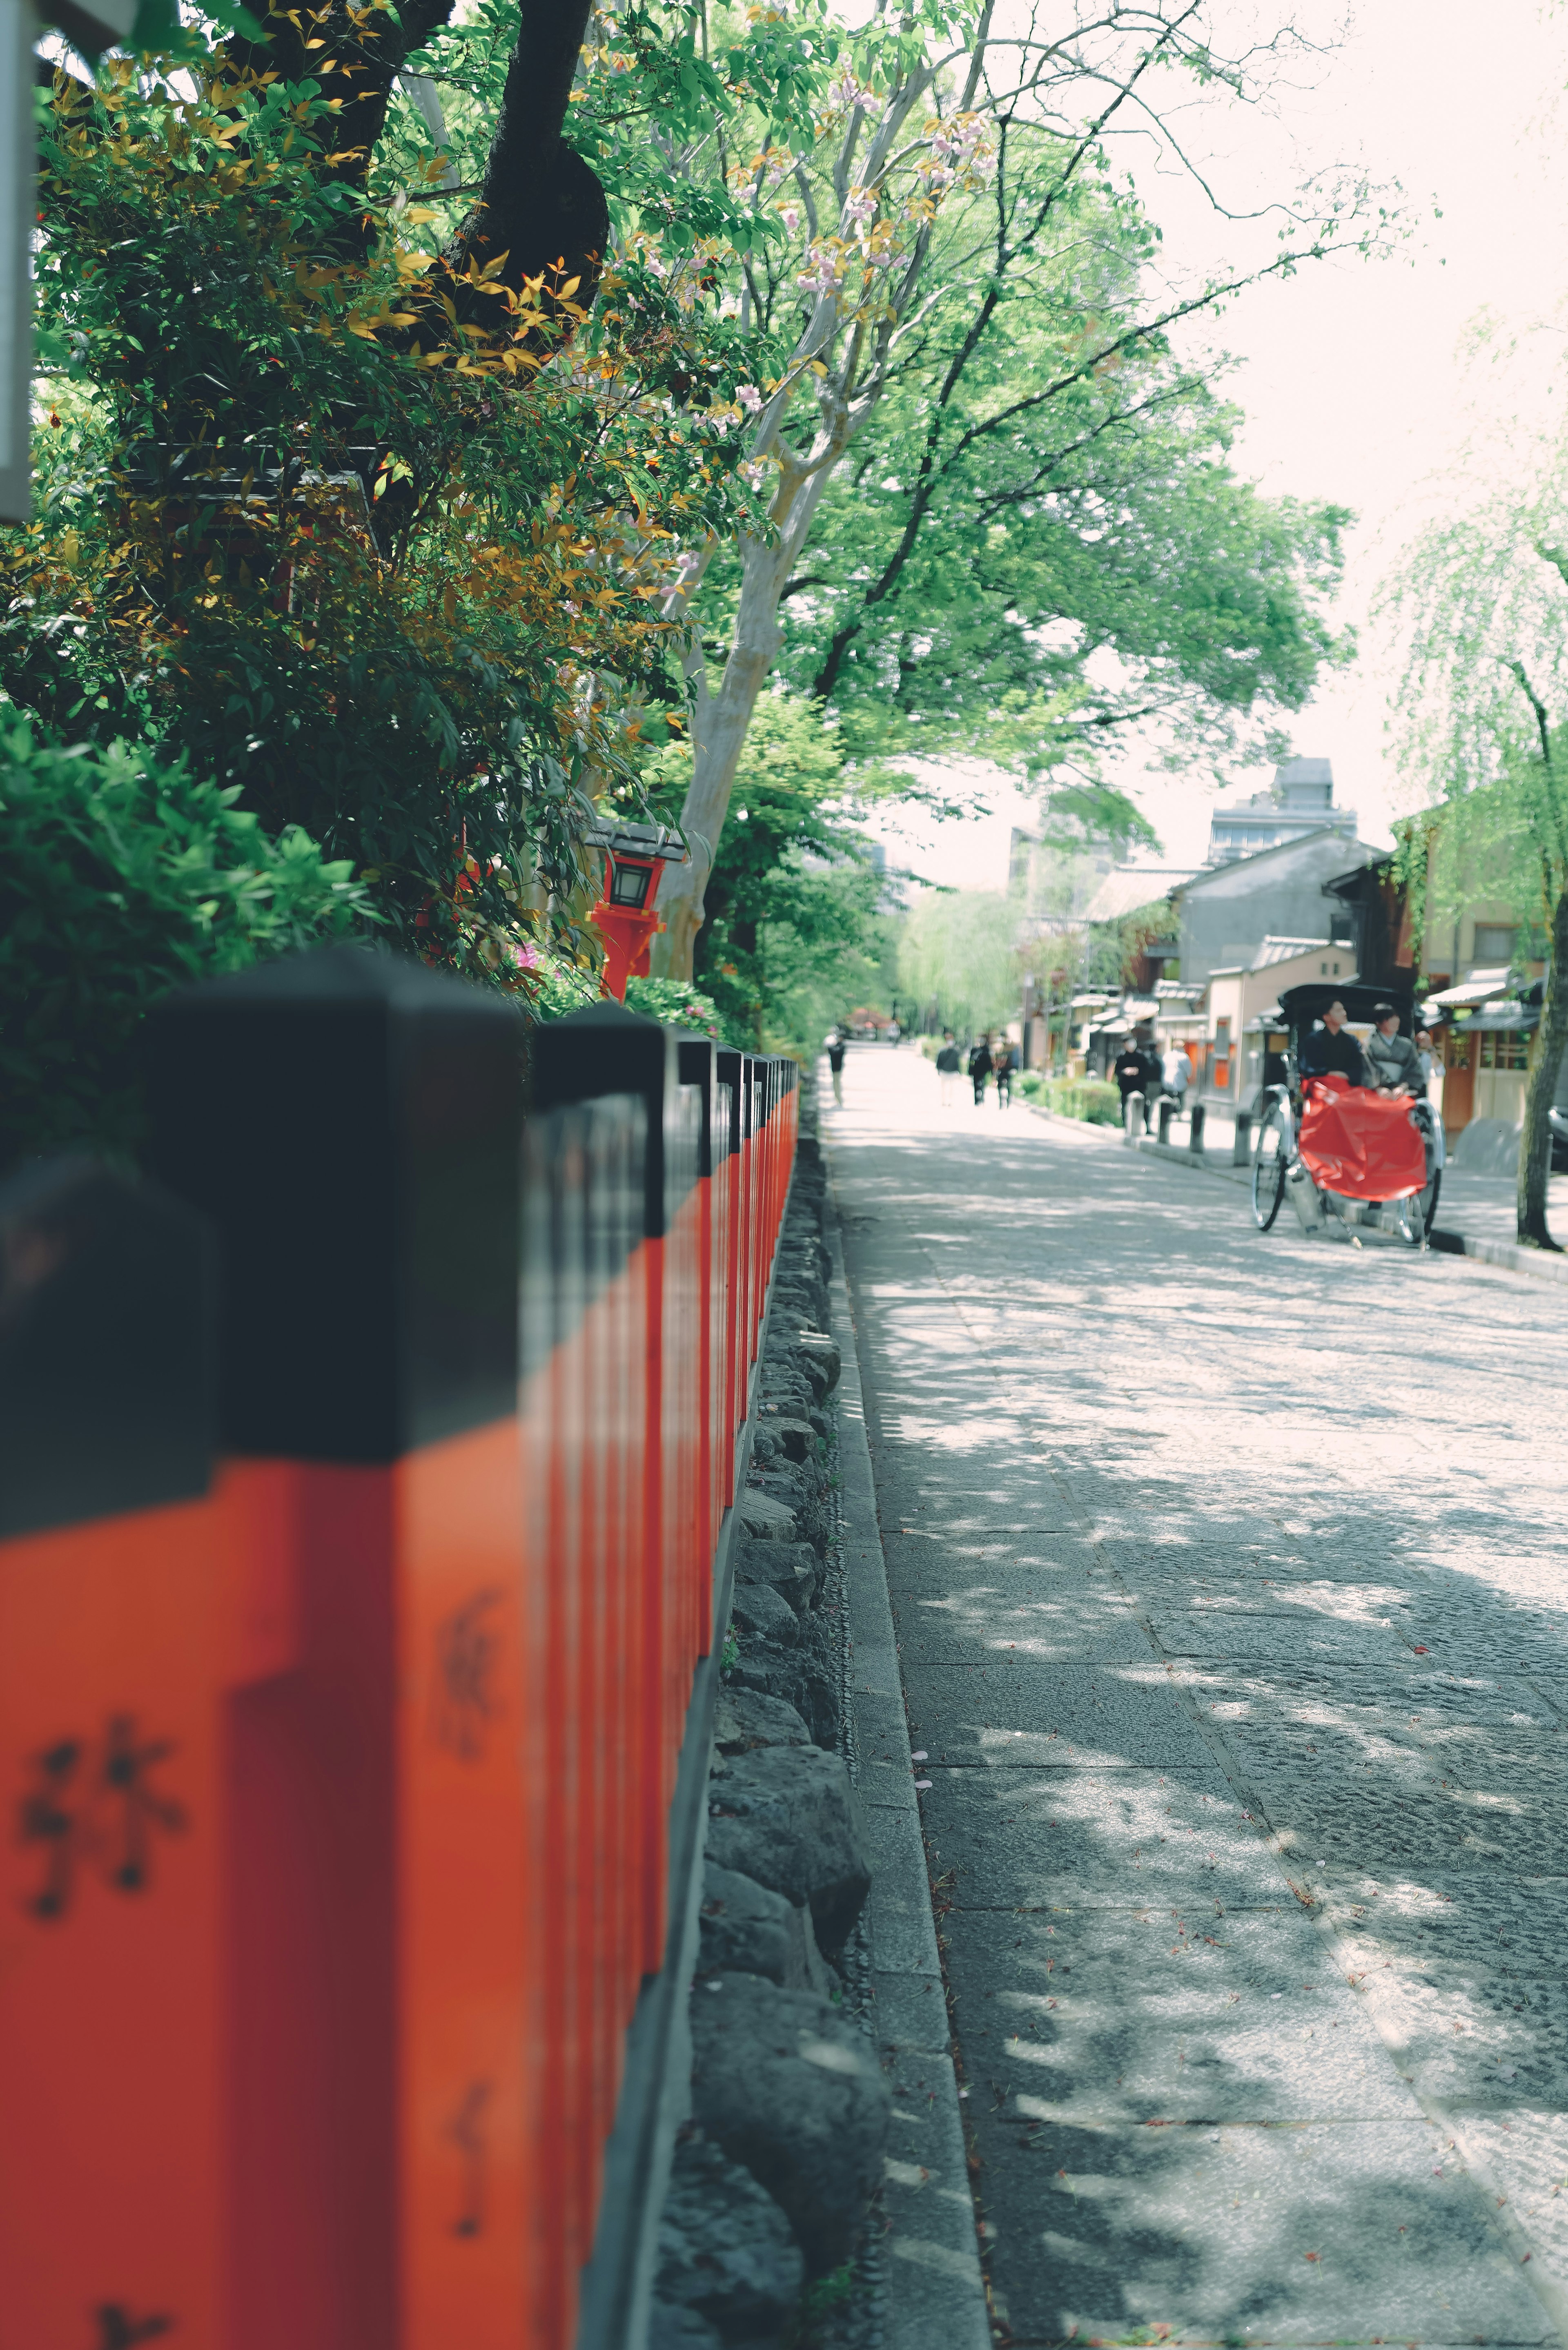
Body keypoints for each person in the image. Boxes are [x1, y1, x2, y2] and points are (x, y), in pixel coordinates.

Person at [1298, 999, 1367, 1086]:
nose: (1344, 1013)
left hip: (1347, 1084)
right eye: (1339, 1011)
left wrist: (1348, 1075)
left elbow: (1359, 1066)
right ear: (1326, 1017)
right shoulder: (1312, 1040)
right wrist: (1330, 1073)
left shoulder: (1352, 1040)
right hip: (1320, 1085)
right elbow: (1308, 1068)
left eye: (1344, 1010)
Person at [1364, 1003, 1424, 1097]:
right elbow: (1366, 1069)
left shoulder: (1407, 1045)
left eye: (1396, 1017)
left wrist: (1402, 1087)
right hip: (1375, 1092)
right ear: (1378, 1023)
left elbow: (1414, 1069)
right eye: (1389, 1019)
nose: (1395, 1021)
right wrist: (1379, 1088)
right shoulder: (1369, 1044)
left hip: (1401, 1092)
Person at [1112, 1038, 1147, 1106]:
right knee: (1125, 1106)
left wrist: (1137, 1071)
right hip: (1125, 1086)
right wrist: (1125, 1071)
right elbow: (1117, 1071)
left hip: (1138, 1086)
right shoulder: (1122, 1056)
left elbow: (1146, 1070)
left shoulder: (1141, 1056)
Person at [1161, 1044, 1190, 1118]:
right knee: (1181, 1098)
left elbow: (1162, 1068)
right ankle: (1179, 1114)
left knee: (1168, 1098)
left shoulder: (1167, 1056)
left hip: (1167, 1082)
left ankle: (1167, 1113)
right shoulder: (1185, 1057)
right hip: (1181, 1082)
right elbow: (1189, 1071)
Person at [935, 1029, 962, 1109]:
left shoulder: (956, 1051)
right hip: (944, 1072)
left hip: (953, 1073)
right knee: (944, 1088)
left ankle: (951, 1101)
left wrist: (959, 1072)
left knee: (952, 1088)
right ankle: (944, 1101)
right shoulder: (942, 1051)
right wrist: (939, 1070)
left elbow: (958, 1063)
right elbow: (939, 1062)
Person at [968, 1034, 993, 1106]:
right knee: (976, 1085)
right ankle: (977, 1100)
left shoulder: (987, 1049)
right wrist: (970, 1070)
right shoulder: (975, 1050)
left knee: (983, 1084)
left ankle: (982, 1098)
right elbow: (971, 1061)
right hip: (976, 1070)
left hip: (984, 1069)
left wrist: (991, 1070)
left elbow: (990, 1060)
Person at [826, 1029, 846, 1107]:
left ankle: (839, 1100)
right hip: (835, 1068)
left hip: (838, 1068)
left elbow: (835, 1052)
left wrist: (829, 1047)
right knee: (835, 1085)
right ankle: (837, 1100)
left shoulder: (842, 1046)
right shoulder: (838, 1045)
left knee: (837, 1085)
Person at [996, 1040, 1019, 1107]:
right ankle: (1002, 1102)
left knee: (1008, 1086)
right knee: (1002, 1086)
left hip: (1007, 1070)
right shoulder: (1000, 1050)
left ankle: (1006, 1102)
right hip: (1003, 1070)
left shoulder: (1010, 1051)